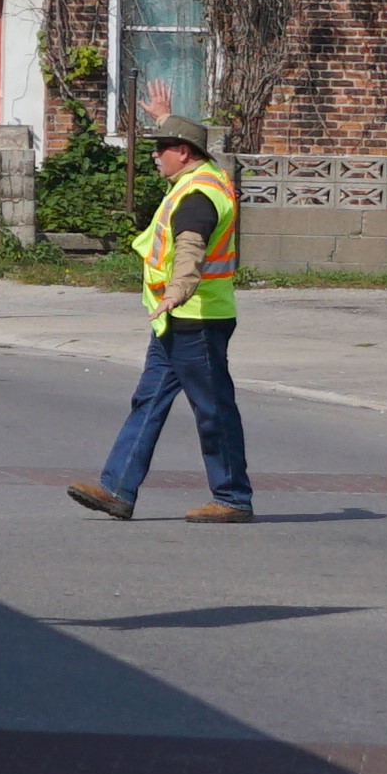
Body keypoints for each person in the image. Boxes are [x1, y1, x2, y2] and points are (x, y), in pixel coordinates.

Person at [66, 120, 252, 522]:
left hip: (197, 317)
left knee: (213, 409)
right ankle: (117, 489)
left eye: (163, 146)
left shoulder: (199, 195)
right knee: (148, 401)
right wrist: (168, 116)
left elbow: (191, 245)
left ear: (184, 152)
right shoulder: (205, 178)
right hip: (175, 319)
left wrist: (178, 289)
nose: (155, 154)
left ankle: (233, 496)